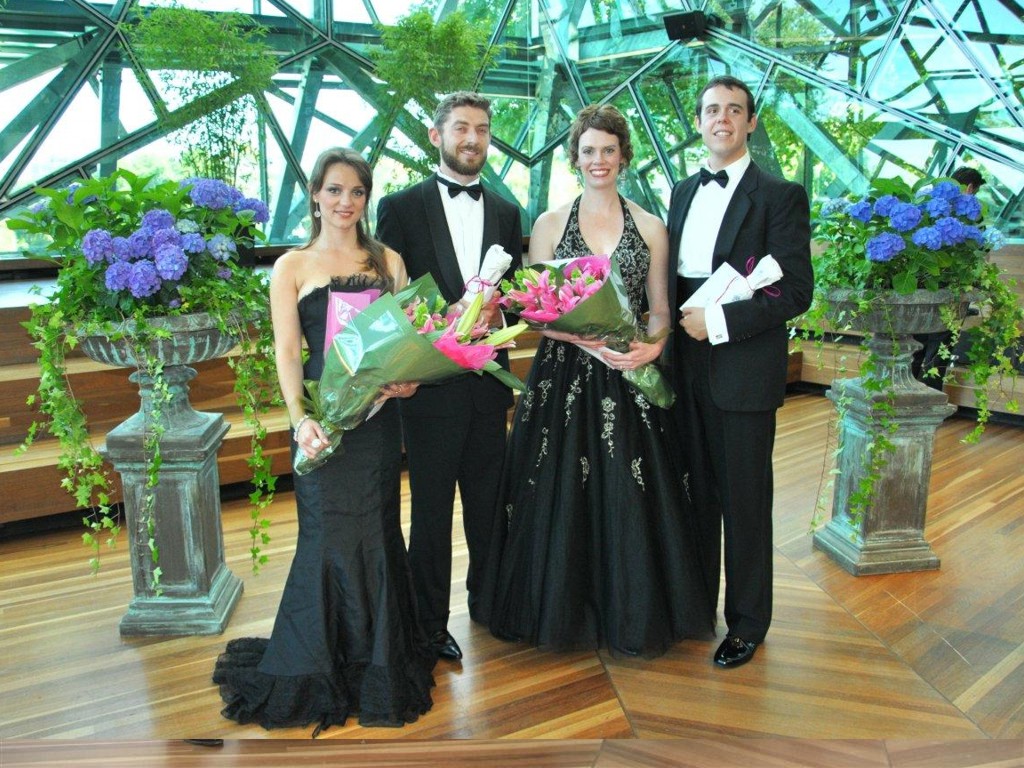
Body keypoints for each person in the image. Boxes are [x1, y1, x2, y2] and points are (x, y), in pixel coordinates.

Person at [476, 104, 716, 658]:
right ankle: (561, 609)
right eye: (589, 151)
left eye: (608, 150)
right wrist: (576, 337)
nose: (599, 160)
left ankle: (632, 610)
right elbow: (533, 310)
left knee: (631, 486)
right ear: (575, 158)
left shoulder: (651, 227)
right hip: (563, 374)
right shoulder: (548, 225)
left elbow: (660, 307)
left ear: (623, 155)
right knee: (557, 488)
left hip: (630, 371)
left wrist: (653, 346)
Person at [212, 148, 436, 734]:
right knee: (324, 535)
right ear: (315, 194)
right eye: (335, 190)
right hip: (321, 421)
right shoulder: (290, 265)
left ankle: (377, 658)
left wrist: (409, 379)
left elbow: (407, 341)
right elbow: (288, 352)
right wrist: (298, 420)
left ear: (367, 198)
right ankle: (318, 660)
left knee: (377, 532)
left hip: (377, 423)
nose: (345, 202)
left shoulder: (389, 261)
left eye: (357, 192)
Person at [666, 76, 813, 668]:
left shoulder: (780, 195)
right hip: (683, 367)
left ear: (751, 122)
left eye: (733, 110)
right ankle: (697, 607)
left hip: (742, 368)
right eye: (711, 110)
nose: (721, 118)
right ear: (699, 122)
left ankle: (748, 623)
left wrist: (719, 322)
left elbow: (795, 291)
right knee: (694, 495)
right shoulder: (681, 191)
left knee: (745, 502)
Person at [375, 92, 523, 662]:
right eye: (461, 128)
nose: (473, 139)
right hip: (428, 389)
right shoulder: (400, 207)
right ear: (436, 136)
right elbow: (390, 300)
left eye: (481, 129)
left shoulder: (507, 211)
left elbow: (512, 293)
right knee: (431, 514)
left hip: (487, 384)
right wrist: (439, 324)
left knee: (490, 505)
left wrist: (496, 311)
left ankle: (491, 604)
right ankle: (429, 626)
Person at [912, 166, 986, 388]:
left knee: (917, 342)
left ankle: (905, 392)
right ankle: (930, 396)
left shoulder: (927, 203)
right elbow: (981, 250)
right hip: (952, 287)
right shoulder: (972, 214)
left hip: (923, 283)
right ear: (970, 188)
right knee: (941, 346)